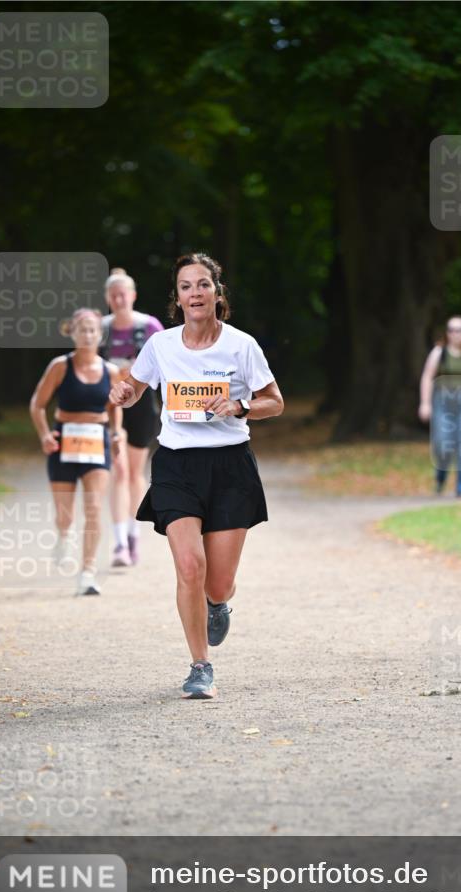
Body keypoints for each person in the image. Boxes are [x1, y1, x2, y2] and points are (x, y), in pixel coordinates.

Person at [109, 253, 284, 699]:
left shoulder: (241, 346)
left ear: (217, 292)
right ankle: (200, 666)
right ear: (178, 297)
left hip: (230, 467)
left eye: (203, 284)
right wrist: (124, 392)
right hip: (177, 464)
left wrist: (241, 406)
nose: (195, 293)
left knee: (217, 583)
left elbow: (275, 401)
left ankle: (217, 603)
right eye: (186, 286)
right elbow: (134, 388)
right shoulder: (161, 345)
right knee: (189, 566)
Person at [30, 308, 123, 596]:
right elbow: (37, 404)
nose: (87, 334)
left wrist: (116, 432)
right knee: (65, 515)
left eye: (93, 329)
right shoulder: (60, 366)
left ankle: (88, 572)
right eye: (82, 329)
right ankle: (64, 534)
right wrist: (45, 435)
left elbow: (115, 406)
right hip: (63, 443)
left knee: (94, 508)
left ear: (100, 334)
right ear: (72, 333)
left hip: (96, 443)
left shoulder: (110, 371)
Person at [101, 269, 164, 567]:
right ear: (107, 298)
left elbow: (165, 364)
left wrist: (135, 373)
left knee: (135, 473)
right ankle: (119, 543)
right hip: (109, 405)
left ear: (133, 296)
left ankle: (133, 532)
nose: (118, 300)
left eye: (123, 294)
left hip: (141, 407)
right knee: (119, 471)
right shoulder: (99, 329)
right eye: (113, 295)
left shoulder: (149, 326)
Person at [418, 316, 461, 497]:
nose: (456, 334)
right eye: (452, 330)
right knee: (442, 444)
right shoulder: (439, 353)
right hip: (443, 401)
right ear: (447, 333)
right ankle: (440, 477)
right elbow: (427, 377)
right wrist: (425, 403)